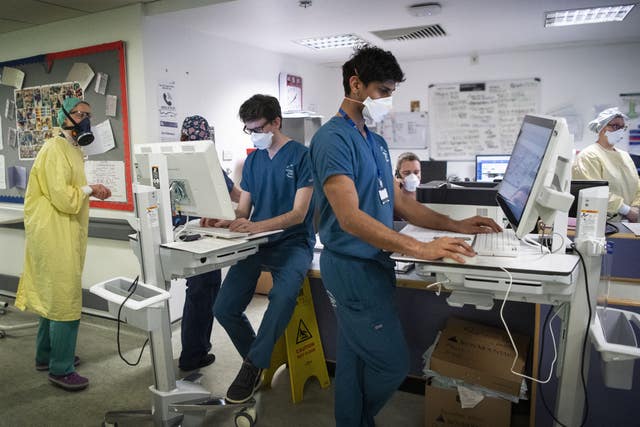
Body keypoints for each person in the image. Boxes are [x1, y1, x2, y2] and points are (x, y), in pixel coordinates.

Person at [309, 45, 501, 427]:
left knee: (352, 359)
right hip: (351, 268)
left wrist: (454, 224)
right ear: (356, 84)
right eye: (383, 91)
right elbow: (349, 218)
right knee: (393, 365)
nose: (388, 101)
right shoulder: (332, 140)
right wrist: (420, 248)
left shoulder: (376, 143)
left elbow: (401, 202)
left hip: (374, 265)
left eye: (392, 92)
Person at [212, 94, 315, 403]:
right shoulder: (253, 161)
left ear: (276, 123)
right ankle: (255, 360)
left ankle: (253, 365)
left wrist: (256, 226)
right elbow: (244, 211)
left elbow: (299, 214)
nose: (253, 134)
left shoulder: (302, 156)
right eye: (248, 129)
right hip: (259, 243)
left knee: (282, 298)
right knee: (223, 308)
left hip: (294, 242)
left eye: (257, 127)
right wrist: (223, 219)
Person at [15, 97, 111, 391]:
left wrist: (87, 190)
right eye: (79, 113)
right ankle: (61, 368)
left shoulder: (71, 148)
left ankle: (46, 355)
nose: (84, 119)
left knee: (53, 296)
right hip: (54, 230)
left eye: (88, 115)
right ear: (64, 116)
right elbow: (62, 196)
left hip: (61, 230)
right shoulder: (54, 147)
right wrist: (90, 188)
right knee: (65, 298)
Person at [177, 115, 242, 371]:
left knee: (197, 292)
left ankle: (195, 349)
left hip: (181, 236)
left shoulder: (171, 158)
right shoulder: (206, 160)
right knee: (203, 293)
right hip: (202, 238)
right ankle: (194, 354)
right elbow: (235, 193)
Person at [572, 107, 640, 222]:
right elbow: (593, 192)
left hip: (632, 222)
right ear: (602, 128)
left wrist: (636, 207)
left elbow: (637, 185)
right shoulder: (589, 156)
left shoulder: (625, 156)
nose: (620, 130)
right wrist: (626, 210)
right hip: (604, 225)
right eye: (615, 126)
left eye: (623, 127)